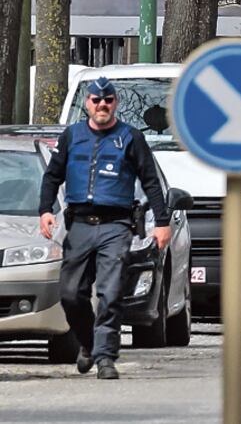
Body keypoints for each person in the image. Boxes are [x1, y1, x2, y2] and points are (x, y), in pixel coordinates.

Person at [39, 77, 171, 380]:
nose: (102, 105)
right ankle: (88, 343)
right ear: (87, 104)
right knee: (71, 294)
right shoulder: (72, 136)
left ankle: (106, 358)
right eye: (96, 100)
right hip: (80, 225)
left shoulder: (130, 137)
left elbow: (151, 182)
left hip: (116, 225)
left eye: (108, 100)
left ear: (115, 103)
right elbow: (52, 176)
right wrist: (46, 210)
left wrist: (162, 223)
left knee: (111, 293)